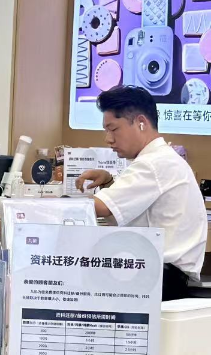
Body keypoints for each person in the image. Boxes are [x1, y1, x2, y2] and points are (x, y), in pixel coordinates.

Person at [75, 86, 206, 300]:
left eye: (113, 129)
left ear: (141, 122)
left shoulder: (154, 163)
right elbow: (137, 205)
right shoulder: (160, 159)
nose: (108, 139)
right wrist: (109, 181)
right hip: (163, 275)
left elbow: (103, 207)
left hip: (161, 280)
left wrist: (52, 204)